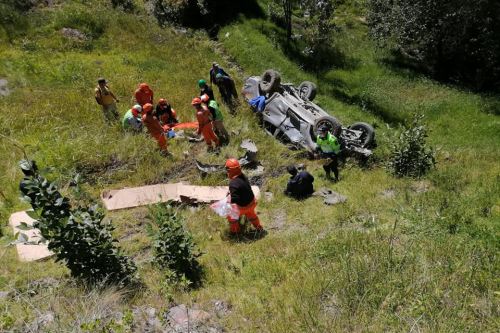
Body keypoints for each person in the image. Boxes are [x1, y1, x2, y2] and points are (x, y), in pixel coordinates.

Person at [225, 159, 264, 235]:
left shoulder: (233, 183)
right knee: (251, 215)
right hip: (252, 203)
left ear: (230, 170)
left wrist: (227, 202)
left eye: (227, 169)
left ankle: (235, 232)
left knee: (231, 216)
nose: (227, 171)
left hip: (242, 208)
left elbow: (235, 200)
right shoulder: (243, 176)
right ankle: (259, 228)